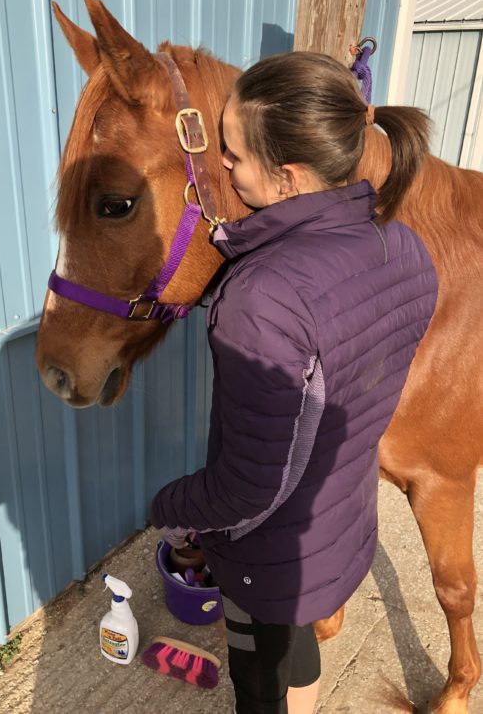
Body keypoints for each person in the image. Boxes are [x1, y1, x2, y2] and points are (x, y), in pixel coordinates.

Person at [150, 51, 438, 714]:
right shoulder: (403, 245)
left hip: (269, 554)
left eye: (233, 154)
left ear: (285, 177)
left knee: (259, 685)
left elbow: (250, 486)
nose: (221, 164)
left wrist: (171, 507)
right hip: (339, 518)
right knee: (295, 642)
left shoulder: (264, 295)